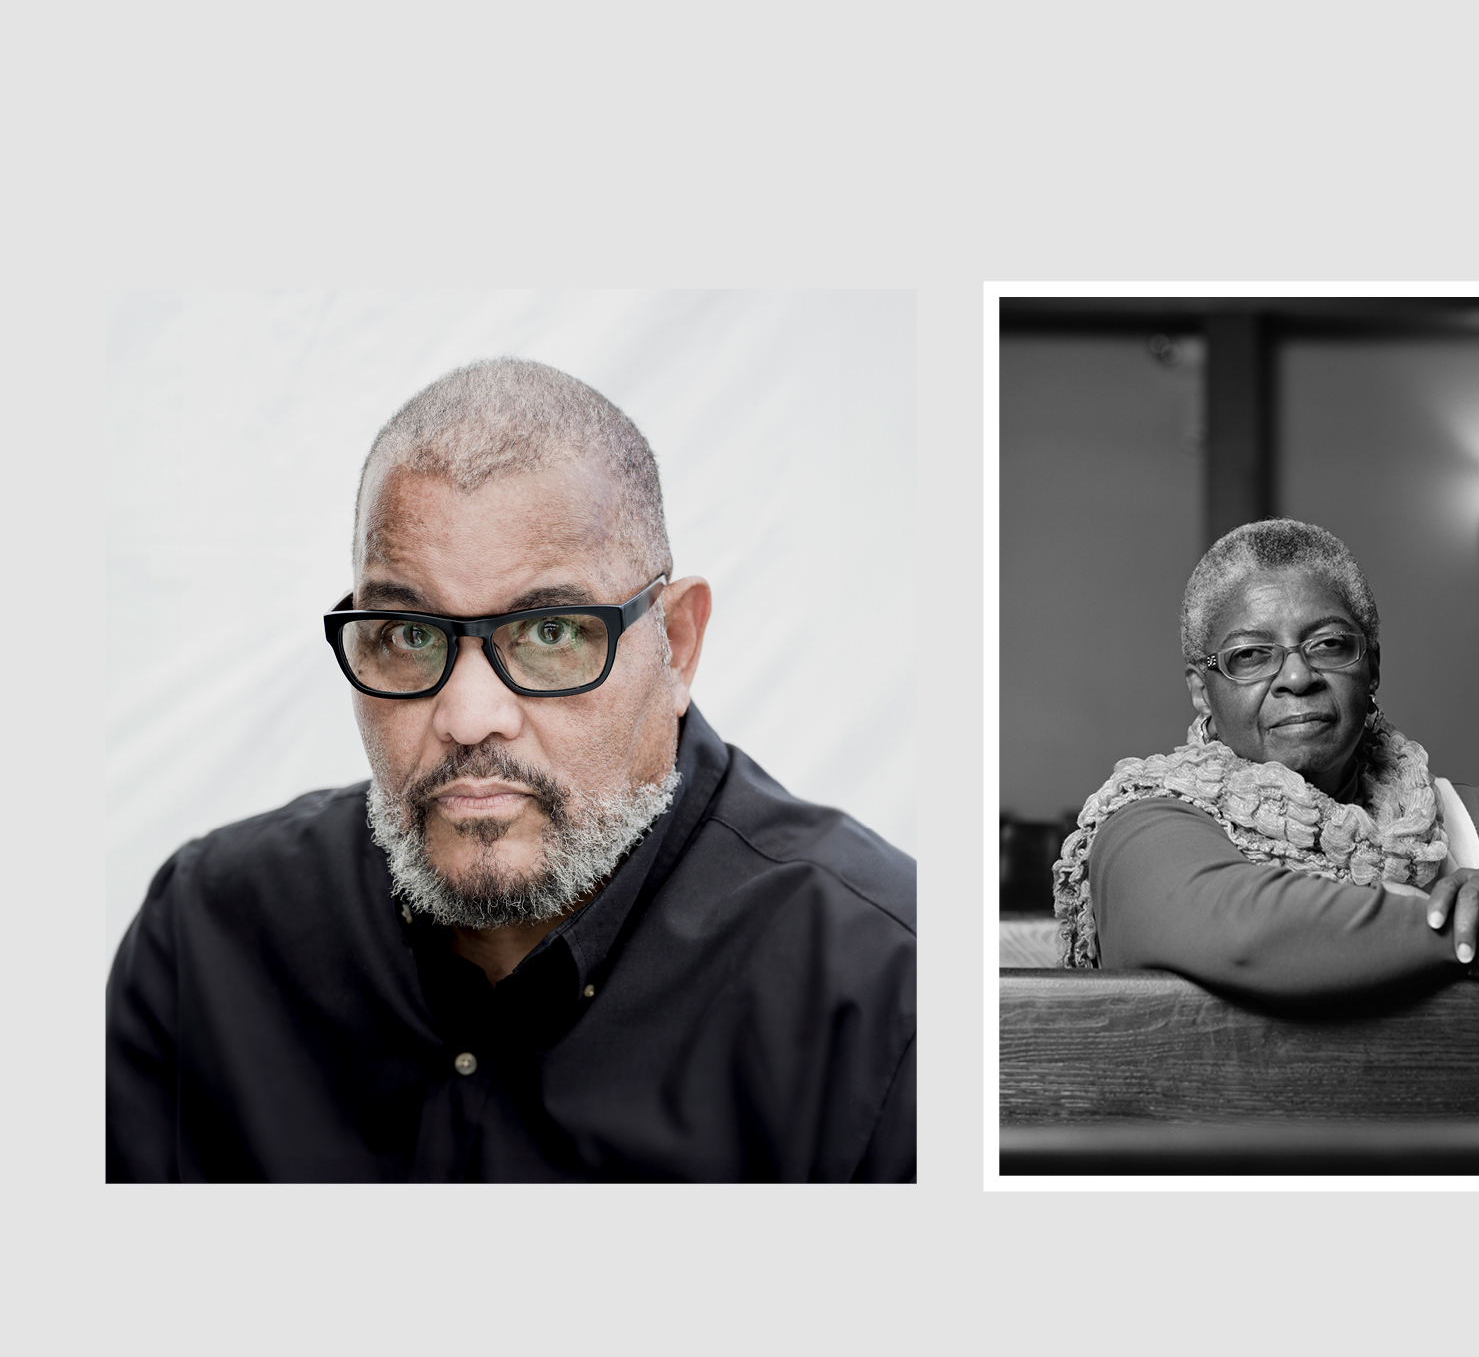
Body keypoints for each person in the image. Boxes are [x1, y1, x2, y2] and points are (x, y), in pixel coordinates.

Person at [107, 359, 917, 1182]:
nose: (467, 716)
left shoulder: (887, 994)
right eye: (410, 635)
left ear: (675, 644)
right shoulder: (207, 937)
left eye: (552, 633)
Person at [1052, 519, 1479, 1001]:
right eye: (1250, 655)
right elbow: (1244, 935)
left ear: (1371, 666)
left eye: (1328, 644)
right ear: (1204, 691)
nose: (1297, 678)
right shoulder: (1147, 819)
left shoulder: (1470, 820)